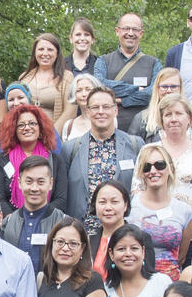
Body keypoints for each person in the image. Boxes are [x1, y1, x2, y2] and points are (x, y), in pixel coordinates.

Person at [56, 86, 143, 218]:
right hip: (82, 226)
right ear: (87, 111)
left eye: (106, 107)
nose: (101, 112)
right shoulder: (70, 149)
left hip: (123, 226)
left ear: (115, 110)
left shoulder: (135, 145)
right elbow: (62, 193)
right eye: (95, 107)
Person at [130, 142, 192, 277]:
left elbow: (181, 257)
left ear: (170, 168)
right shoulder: (130, 206)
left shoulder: (184, 211)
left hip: (171, 282)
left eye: (159, 165)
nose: (153, 171)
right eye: (147, 167)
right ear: (141, 173)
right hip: (136, 280)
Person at [91, 12, 159, 130]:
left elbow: (152, 94)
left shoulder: (154, 63)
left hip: (144, 128)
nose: (130, 33)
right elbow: (100, 86)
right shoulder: (103, 61)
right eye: (126, 28)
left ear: (141, 33)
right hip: (109, 130)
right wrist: (135, 89)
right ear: (117, 31)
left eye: (135, 29)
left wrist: (121, 100)